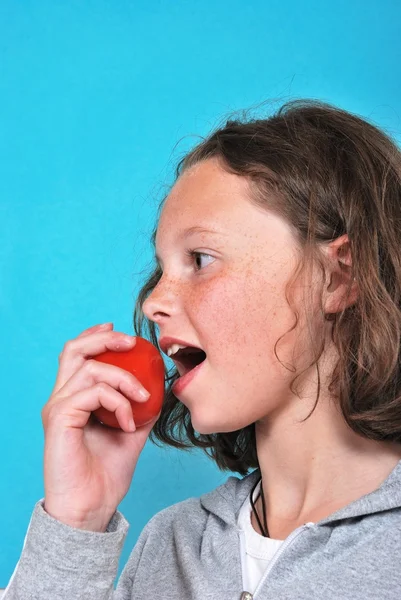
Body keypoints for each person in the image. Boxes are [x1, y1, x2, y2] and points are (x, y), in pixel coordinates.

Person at [4, 99, 401, 600]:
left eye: (200, 258)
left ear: (337, 276)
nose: (152, 301)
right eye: (161, 270)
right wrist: (78, 522)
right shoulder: (173, 544)